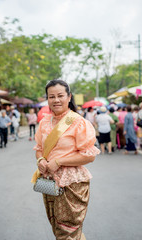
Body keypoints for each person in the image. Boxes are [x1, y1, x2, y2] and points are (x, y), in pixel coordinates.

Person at [31, 79, 100, 240]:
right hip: (48, 181)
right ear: (47, 99)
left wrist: (59, 161)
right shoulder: (44, 123)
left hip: (72, 183)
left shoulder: (78, 122)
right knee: (57, 227)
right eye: (51, 96)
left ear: (69, 97)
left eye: (60, 95)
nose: (56, 100)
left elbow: (89, 155)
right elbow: (39, 149)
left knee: (67, 229)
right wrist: (40, 159)